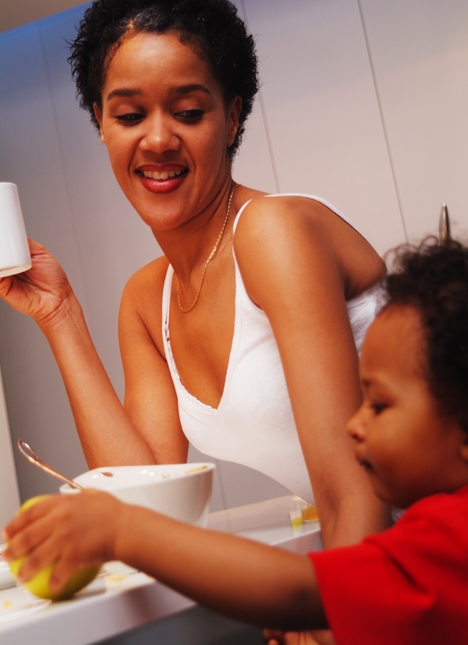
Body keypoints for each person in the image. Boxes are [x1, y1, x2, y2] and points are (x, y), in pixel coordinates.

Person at [0, 0, 387, 553]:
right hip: (377, 558)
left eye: (187, 111)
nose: (158, 139)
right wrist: (59, 315)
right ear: (100, 123)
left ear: (231, 119)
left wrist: (334, 613)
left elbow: (355, 489)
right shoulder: (146, 297)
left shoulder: (273, 233)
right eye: (129, 115)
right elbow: (145, 502)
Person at [4, 237, 468, 645]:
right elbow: (140, 481)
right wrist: (60, 314)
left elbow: (301, 592)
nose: (353, 423)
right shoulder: (433, 529)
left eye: (379, 406)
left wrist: (120, 529)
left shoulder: (449, 536)